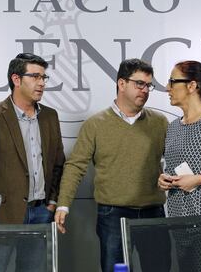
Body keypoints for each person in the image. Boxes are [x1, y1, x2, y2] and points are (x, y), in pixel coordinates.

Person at [55, 58, 171, 272]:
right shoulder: (95, 124)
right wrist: (63, 204)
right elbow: (75, 166)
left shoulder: (160, 122)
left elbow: (175, 162)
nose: (145, 90)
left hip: (153, 213)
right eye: (139, 84)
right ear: (121, 84)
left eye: (148, 85)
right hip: (113, 215)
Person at [0, 52, 65, 271]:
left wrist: (51, 203)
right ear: (16, 79)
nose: (41, 83)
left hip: (41, 213)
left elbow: (58, 164)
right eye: (35, 76)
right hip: (1, 218)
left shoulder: (50, 116)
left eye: (44, 78)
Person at [158, 60, 201, 271]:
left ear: (192, 86)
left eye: (173, 81)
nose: (167, 87)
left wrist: (200, 179)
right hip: (178, 222)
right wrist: (163, 179)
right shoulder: (172, 128)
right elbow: (171, 167)